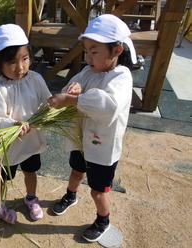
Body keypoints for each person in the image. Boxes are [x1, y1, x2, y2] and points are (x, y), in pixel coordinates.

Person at [48, 14, 137, 242]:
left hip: (103, 146)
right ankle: (70, 195)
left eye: (94, 51)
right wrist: (73, 87)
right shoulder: (88, 71)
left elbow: (108, 106)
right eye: (86, 51)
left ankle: (103, 219)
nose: (88, 57)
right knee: (76, 171)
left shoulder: (121, 77)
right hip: (81, 139)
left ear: (116, 51)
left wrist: (72, 100)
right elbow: (72, 85)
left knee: (98, 190)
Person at [0, 24, 52, 224]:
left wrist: (56, 105)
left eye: (25, 59)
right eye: (12, 62)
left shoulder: (36, 79)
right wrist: (13, 125)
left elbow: (47, 100)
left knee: (31, 171)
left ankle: (31, 198)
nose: (20, 67)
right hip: (8, 146)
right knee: (1, 178)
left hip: (31, 141)